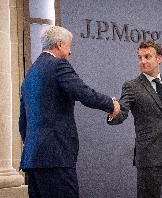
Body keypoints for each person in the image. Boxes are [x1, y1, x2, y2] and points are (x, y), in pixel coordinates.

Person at [19, 25, 120, 198]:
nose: (70, 52)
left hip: (32, 159)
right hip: (56, 157)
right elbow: (83, 92)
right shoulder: (58, 65)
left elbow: (23, 122)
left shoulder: (30, 74)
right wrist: (111, 104)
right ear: (59, 44)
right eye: (68, 46)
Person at [107, 40, 162, 198]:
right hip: (149, 156)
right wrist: (113, 112)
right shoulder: (131, 86)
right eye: (140, 57)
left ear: (159, 59)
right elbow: (122, 112)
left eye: (147, 56)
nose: (142, 61)